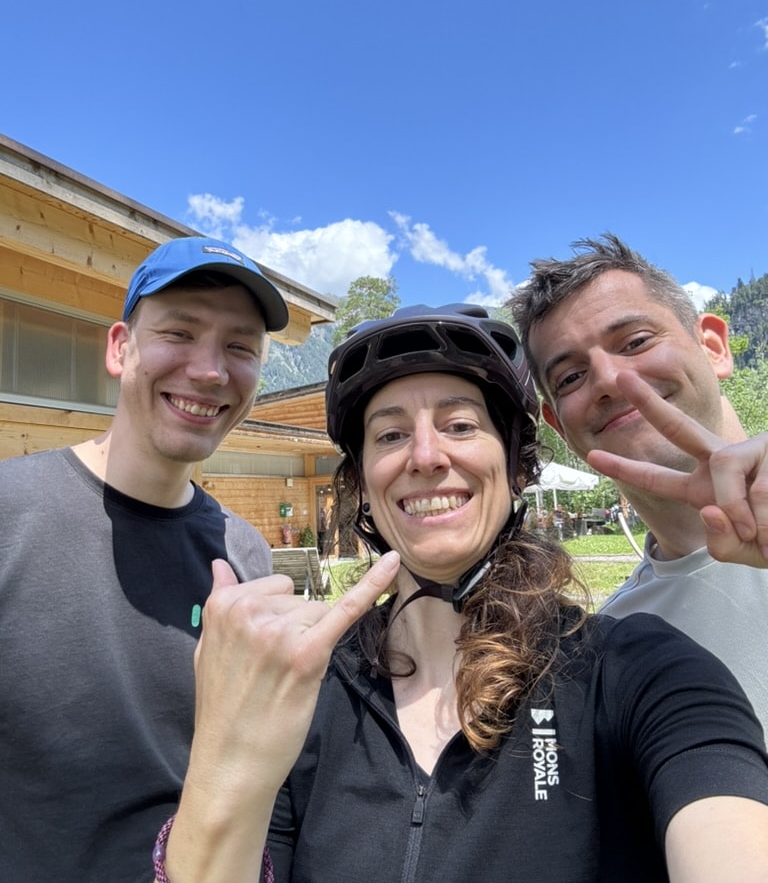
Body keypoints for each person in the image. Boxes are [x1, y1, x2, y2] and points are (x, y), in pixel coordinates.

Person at [155, 303, 768, 883]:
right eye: (390, 436)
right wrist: (220, 754)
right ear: (362, 484)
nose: (426, 456)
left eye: (460, 425)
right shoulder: (307, 686)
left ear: (516, 466)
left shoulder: (637, 672)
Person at [0, 236, 289, 882]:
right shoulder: (8, 513)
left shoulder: (246, 553)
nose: (210, 371)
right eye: (179, 333)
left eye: (240, 347)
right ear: (119, 348)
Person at [507, 233, 768, 731]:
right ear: (558, 425)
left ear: (713, 347)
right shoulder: (610, 648)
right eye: (570, 377)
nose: (609, 379)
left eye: (635, 342)